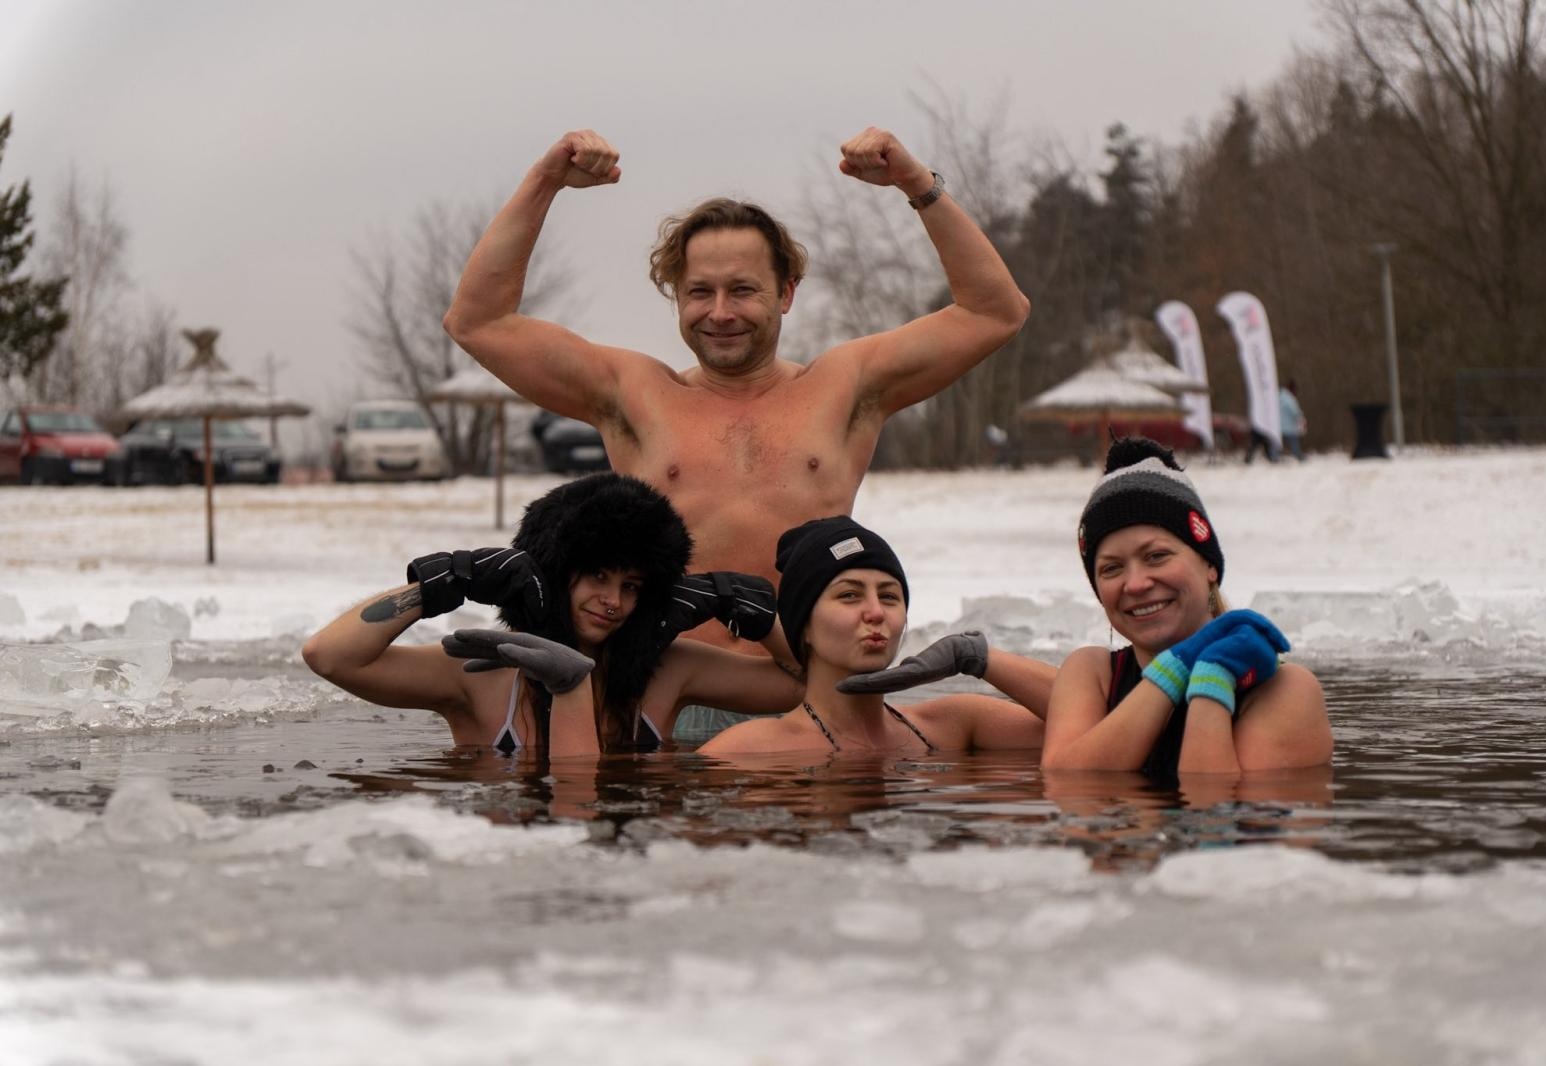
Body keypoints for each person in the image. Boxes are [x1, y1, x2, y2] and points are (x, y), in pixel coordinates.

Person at [442, 127, 1031, 649]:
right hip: (666, 693)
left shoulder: (846, 386)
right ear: (677, 296)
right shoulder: (634, 394)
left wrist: (916, 183)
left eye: (743, 291)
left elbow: (993, 312)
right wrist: (545, 181)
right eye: (700, 292)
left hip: (800, 699)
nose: (720, 313)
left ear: (786, 293)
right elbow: (478, 322)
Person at [301, 474, 801, 757]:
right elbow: (330, 656)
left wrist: (755, 618)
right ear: (556, 571)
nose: (614, 602)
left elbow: (802, 686)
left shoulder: (669, 669)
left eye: (632, 587)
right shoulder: (481, 675)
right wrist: (444, 582)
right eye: (599, 578)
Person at [1040, 438, 1331, 776]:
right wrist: (1174, 671)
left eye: (1156, 556)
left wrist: (1212, 679)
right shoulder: (1092, 673)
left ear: (1209, 565)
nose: (1135, 584)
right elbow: (1068, 782)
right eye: (1111, 568)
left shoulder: (1286, 690)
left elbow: (1210, 811)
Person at [698, 517, 1044, 758]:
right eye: (849, 595)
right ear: (803, 625)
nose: (876, 612)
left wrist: (975, 656)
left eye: (890, 596)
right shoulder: (746, 751)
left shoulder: (955, 725)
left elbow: (1091, 725)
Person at [1279, 379, 1307, 461]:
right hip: (1288, 427)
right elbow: (1295, 412)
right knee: (1294, 444)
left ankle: (1274, 458)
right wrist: (1301, 419)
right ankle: (1300, 458)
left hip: (1278, 427)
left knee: (1276, 444)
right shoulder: (1290, 399)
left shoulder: (1278, 396)